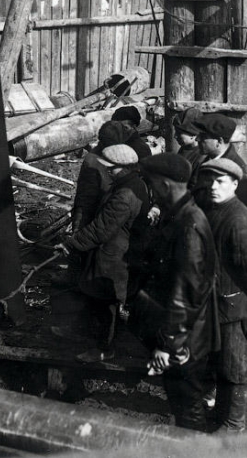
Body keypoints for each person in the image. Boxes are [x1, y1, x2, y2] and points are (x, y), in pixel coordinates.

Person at [132, 153, 216, 430]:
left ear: (165, 186)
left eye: (153, 185)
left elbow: (186, 291)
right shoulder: (180, 215)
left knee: (187, 406)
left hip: (184, 338)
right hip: (185, 333)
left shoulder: (188, 223)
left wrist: (169, 345)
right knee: (185, 401)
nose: (151, 193)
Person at [194, 159, 247, 432]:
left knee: (234, 366)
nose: (213, 187)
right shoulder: (213, 210)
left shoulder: (239, 221)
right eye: (210, 181)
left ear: (235, 185)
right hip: (216, 302)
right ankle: (221, 413)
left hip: (235, 306)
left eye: (221, 182)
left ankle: (234, 423)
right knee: (219, 361)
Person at [55, 144, 150, 363]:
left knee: (105, 304)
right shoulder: (131, 184)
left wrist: (71, 244)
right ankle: (87, 335)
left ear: (126, 167)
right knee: (94, 297)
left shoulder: (124, 195)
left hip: (113, 258)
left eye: (112, 168)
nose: (108, 171)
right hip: (113, 253)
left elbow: (101, 228)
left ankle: (104, 349)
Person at [192, 113, 247, 212]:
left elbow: (244, 213)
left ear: (219, 141)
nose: (197, 139)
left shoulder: (238, 171)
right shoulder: (207, 161)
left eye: (203, 136)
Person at [173, 107, 203, 172]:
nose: (175, 136)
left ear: (193, 134)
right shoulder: (184, 148)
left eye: (179, 133)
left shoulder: (201, 157)